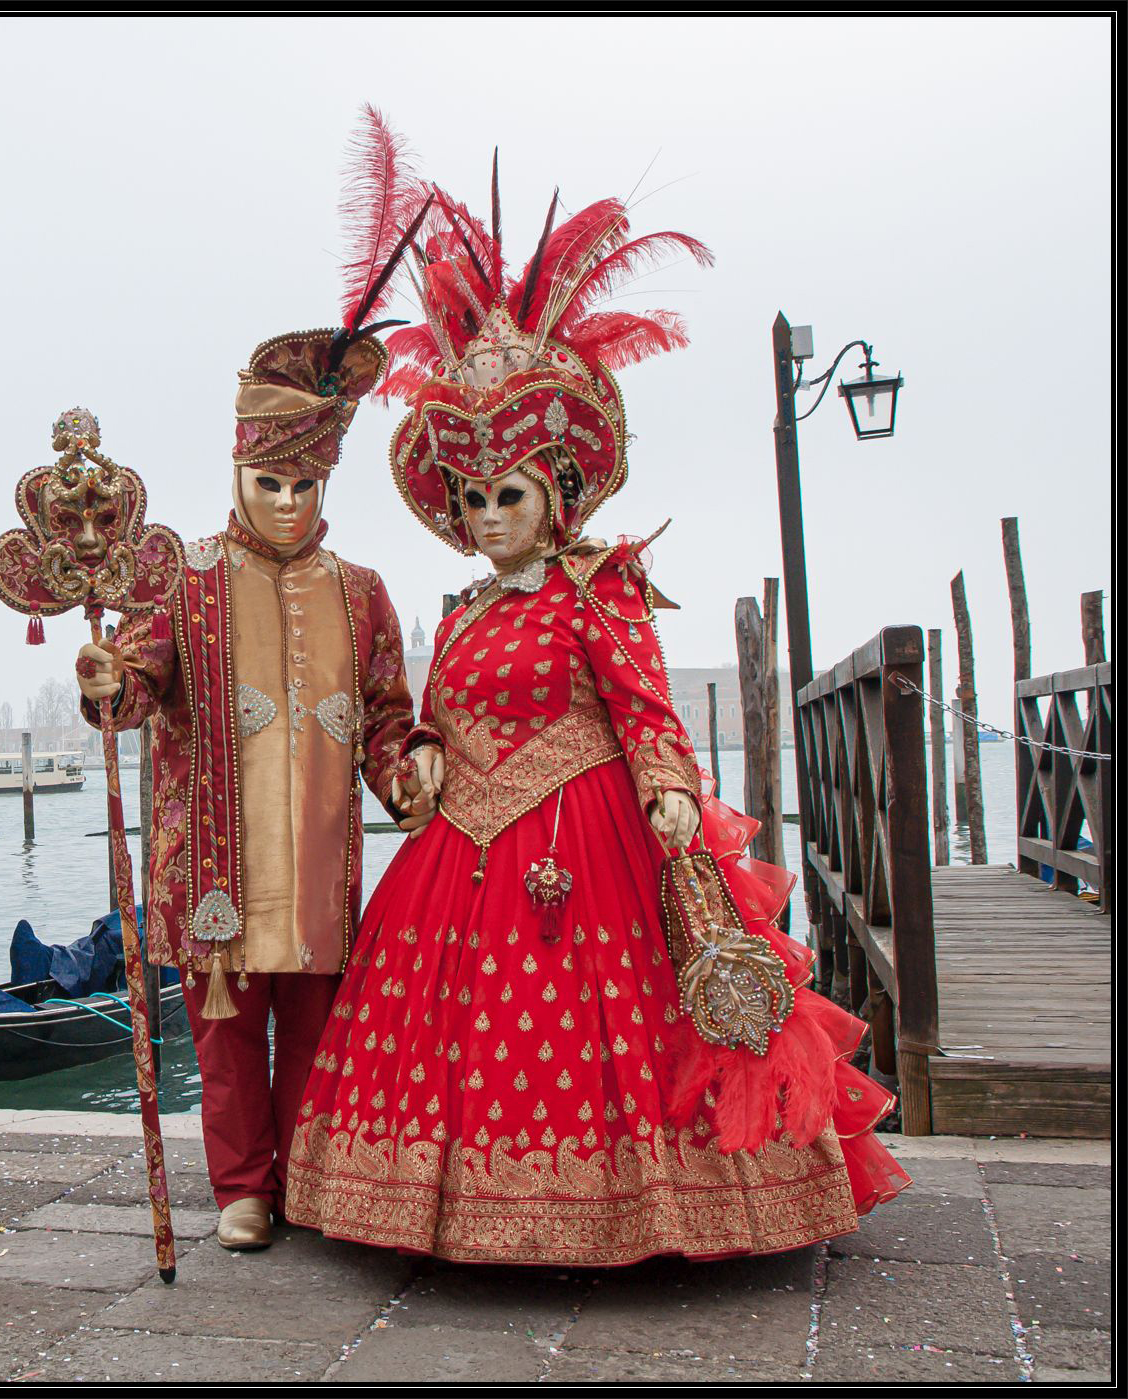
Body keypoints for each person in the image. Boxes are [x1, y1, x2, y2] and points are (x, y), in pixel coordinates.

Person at [283, 161, 911, 1264]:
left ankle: (651, 1211)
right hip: (458, 852)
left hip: (586, 850)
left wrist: (669, 790)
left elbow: (646, 706)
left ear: (558, 492)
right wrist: (421, 758)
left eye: (507, 497)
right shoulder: (467, 611)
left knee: (613, 1025)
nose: (486, 519)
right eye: (472, 500)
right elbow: (435, 713)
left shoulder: (597, 588)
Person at [76, 321, 432, 1252]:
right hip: (216, 863)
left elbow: (388, 715)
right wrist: (110, 683)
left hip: (319, 861)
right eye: (268, 482)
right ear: (238, 470)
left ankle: (307, 1179)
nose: (284, 501)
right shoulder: (183, 579)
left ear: (326, 484)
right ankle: (242, 1185)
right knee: (228, 1045)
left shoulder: (363, 592)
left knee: (317, 1033)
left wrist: (409, 773)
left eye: (303, 484)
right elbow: (140, 681)